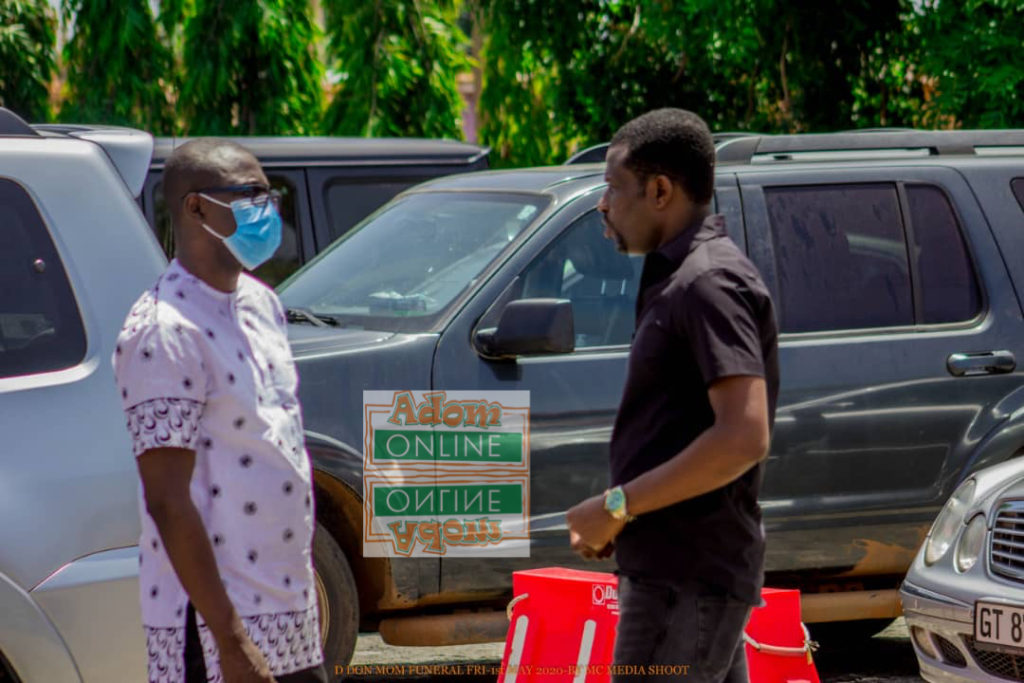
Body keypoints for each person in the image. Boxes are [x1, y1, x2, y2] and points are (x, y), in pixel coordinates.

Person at [566, 109, 780, 682]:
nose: (603, 205)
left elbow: (743, 435)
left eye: (613, 186)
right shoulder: (677, 276)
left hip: (686, 580)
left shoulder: (707, 283)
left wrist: (616, 506)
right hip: (681, 574)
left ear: (660, 190)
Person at [113, 139, 327, 683]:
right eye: (250, 195)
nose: (267, 209)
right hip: (214, 631)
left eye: (269, 194)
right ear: (196, 207)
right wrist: (231, 640)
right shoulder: (164, 329)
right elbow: (166, 499)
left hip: (288, 607)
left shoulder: (261, 304)